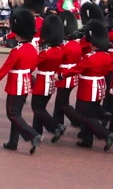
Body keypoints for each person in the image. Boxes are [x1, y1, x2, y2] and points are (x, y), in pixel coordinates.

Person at [56, 20, 113, 151]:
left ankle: (107, 134)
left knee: (86, 116)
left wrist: (60, 76)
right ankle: (86, 139)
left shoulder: (89, 57)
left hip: (88, 88)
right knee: (92, 113)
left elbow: (76, 70)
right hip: (100, 86)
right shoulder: (107, 56)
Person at [0, 10, 42, 155]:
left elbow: (6, 68)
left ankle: (32, 135)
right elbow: (32, 67)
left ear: (18, 33)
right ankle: (13, 142)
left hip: (16, 84)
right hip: (26, 83)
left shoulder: (17, 50)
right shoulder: (32, 49)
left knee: (12, 113)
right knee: (16, 113)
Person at [31, 15, 67, 143]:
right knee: (40, 108)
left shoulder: (46, 53)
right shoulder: (59, 50)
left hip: (42, 82)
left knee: (37, 107)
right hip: (51, 82)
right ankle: (36, 133)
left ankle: (56, 126)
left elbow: (32, 65)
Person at [55, 11, 82, 126]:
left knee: (62, 103)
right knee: (60, 101)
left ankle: (79, 121)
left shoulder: (65, 46)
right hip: (71, 75)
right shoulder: (76, 44)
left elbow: (58, 59)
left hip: (65, 76)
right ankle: (57, 122)